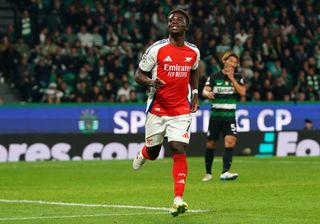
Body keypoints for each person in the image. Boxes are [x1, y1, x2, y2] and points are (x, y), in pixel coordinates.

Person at [132, 9, 200, 217]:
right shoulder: (157, 49)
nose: (174, 22)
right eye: (171, 20)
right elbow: (138, 75)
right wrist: (152, 82)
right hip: (158, 108)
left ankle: (178, 198)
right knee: (153, 153)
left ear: (187, 26)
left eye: (179, 19)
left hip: (180, 109)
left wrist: (195, 93)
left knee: (177, 147)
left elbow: (194, 70)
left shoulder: (193, 52)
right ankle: (144, 153)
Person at [202, 51, 246, 182]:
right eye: (230, 61)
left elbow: (242, 92)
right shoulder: (214, 76)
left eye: (235, 62)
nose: (232, 64)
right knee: (211, 144)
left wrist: (232, 79)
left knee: (230, 142)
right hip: (216, 116)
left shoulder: (238, 77)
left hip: (230, 116)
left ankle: (225, 172)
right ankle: (208, 173)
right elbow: (205, 90)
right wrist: (207, 94)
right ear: (224, 61)